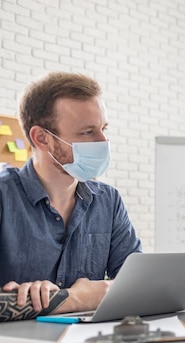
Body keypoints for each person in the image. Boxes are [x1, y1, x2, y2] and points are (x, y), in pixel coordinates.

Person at [0, 72, 142, 321]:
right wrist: (74, 298)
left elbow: (139, 286)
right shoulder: (4, 196)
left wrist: (54, 300)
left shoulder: (108, 201)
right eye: (87, 133)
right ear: (41, 138)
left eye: (103, 129)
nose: (103, 141)